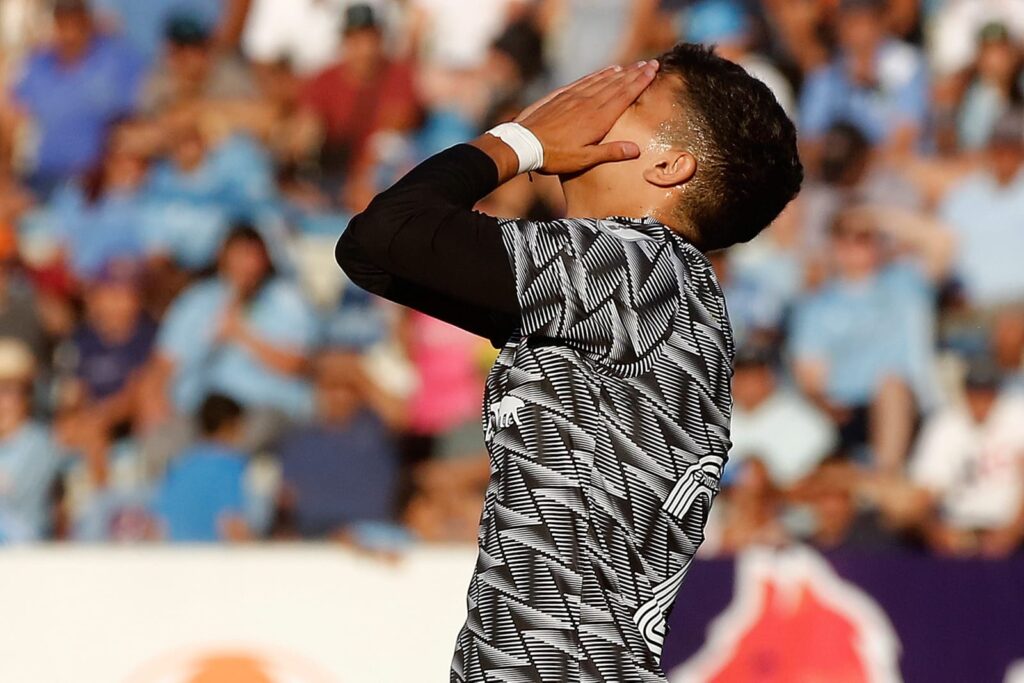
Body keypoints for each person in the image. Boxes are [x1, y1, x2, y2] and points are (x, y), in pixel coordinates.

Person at [337, 45, 802, 682]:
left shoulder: (638, 267)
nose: (584, 104)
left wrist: (519, 141)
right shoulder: (629, 289)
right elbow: (374, 258)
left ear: (669, 165)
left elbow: (386, 234)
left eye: (629, 100)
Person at [790, 204, 954, 472]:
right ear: (834, 245)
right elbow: (810, 375)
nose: (856, 246)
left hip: (907, 402)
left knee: (891, 384)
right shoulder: (816, 306)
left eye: (865, 238)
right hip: (848, 408)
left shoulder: (906, 283)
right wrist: (826, 405)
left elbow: (943, 240)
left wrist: (878, 218)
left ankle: (886, 474)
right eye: (847, 238)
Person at [5, 0, 144, 196]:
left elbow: (132, 119)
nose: (70, 34)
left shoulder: (115, 61)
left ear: (88, 24)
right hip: (40, 177)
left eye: (76, 25)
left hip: (94, 183)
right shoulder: (38, 63)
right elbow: (12, 114)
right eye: (63, 25)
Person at [909, 361, 1024, 558]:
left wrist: (1013, 532)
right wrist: (938, 534)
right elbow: (924, 493)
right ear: (964, 393)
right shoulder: (945, 424)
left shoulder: (1017, 415)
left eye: (987, 394)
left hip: (1012, 530)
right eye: (975, 393)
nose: (981, 401)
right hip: (959, 531)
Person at [799, 0, 929, 160]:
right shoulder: (824, 75)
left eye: (866, 21)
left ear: (882, 22)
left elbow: (905, 139)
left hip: (893, 172)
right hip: (838, 173)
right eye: (851, 21)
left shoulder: (907, 66)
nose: (860, 32)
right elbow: (809, 142)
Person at [153, 393, 268, 542]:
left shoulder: (178, 466)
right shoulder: (231, 468)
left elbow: (159, 525)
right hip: (213, 560)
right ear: (230, 425)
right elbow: (233, 526)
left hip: (174, 557)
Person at [728, 340, 837, 489]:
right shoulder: (708, 416)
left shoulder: (807, 421)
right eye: (742, 375)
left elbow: (821, 479)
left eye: (756, 375)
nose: (749, 383)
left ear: (771, 377)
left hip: (789, 506)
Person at [0, 338, 62, 542]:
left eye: (8, 391)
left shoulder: (37, 443)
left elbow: (15, 494)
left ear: (26, 397)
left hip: (25, 550)